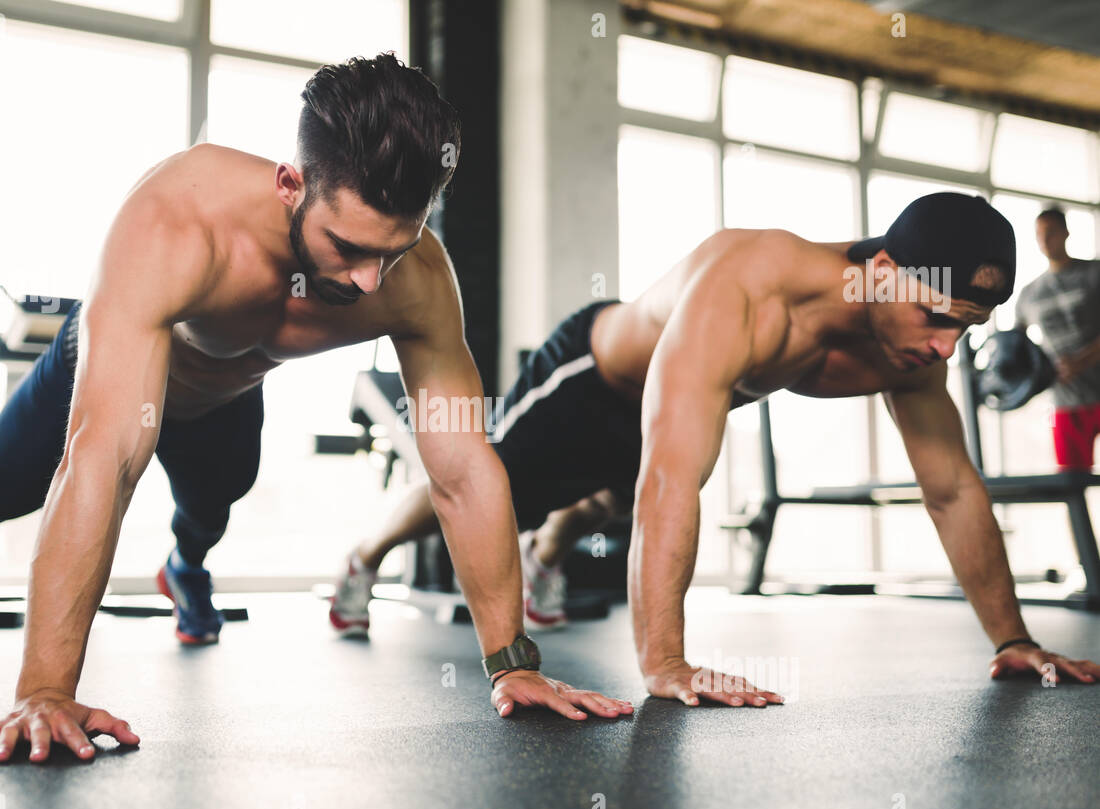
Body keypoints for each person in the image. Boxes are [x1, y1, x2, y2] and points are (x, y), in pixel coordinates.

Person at [0, 54, 632, 764]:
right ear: (291, 183)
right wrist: (45, 687)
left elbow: (462, 467)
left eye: (392, 249)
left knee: (212, 508)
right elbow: (107, 459)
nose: (367, 280)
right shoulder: (178, 224)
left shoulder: (417, 278)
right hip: (104, 374)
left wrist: (511, 659)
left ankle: (184, 567)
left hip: (225, 397)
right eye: (347, 247)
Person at [333, 192, 1100, 704]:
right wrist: (665, 662)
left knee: (606, 496)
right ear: (885, 273)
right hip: (594, 375)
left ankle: (545, 558)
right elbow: (670, 478)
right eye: (937, 316)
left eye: (961, 326)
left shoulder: (901, 345)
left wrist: (1015, 638)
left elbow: (953, 488)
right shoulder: (752, 285)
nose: (943, 347)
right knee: (489, 480)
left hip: (667, 414)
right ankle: (363, 557)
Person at [1014, 206, 1100, 471]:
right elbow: (1016, 349)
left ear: (1065, 233)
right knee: (1071, 484)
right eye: (1039, 235)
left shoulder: (1094, 274)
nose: (1044, 241)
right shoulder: (1029, 294)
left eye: (1050, 233)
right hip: (1066, 402)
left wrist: (1084, 359)